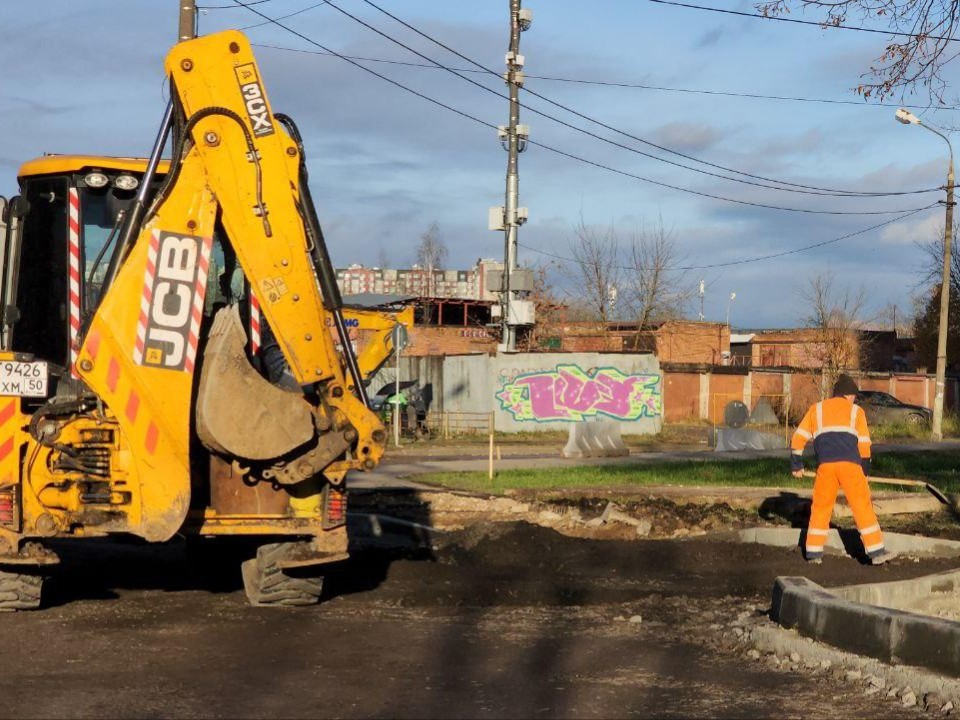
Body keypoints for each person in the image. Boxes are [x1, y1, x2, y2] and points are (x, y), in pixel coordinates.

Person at [790, 374, 895, 565]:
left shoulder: (817, 409)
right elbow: (864, 444)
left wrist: (796, 463)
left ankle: (813, 553)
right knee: (862, 506)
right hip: (851, 466)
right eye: (854, 396)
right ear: (848, 395)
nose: (854, 399)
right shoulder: (856, 412)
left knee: (821, 508)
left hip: (826, 467)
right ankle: (876, 551)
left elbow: (799, 437)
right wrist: (865, 470)